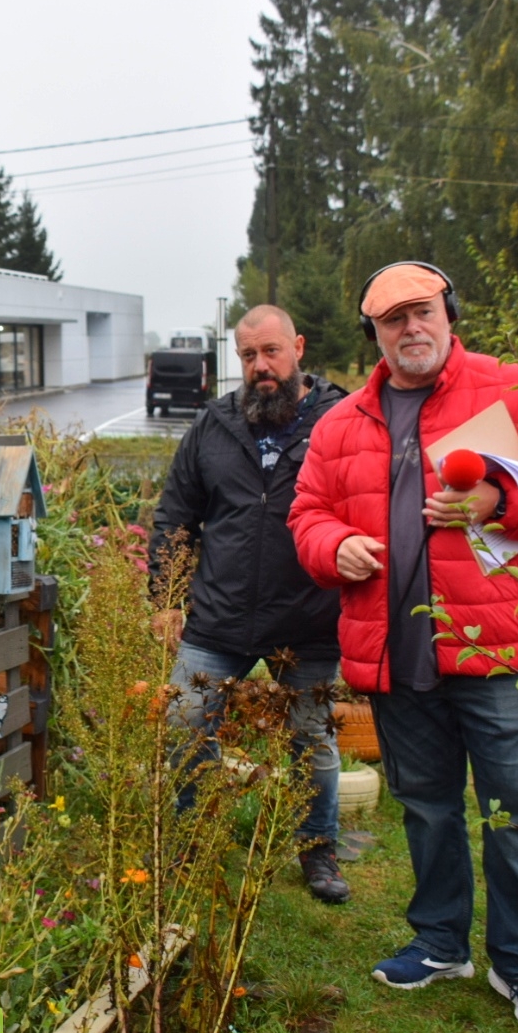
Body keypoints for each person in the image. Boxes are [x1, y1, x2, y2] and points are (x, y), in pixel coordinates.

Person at [287, 261, 518, 1033]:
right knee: (428, 809)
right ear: (373, 335)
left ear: (448, 313)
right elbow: (306, 514)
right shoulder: (339, 424)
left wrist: (503, 500)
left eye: (422, 312)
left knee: (516, 813)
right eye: (392, 320)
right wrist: (335, 548)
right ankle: (440, 943)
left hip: (498, 650)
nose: (411, 329)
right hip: (398, 655)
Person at [149, 304, 351, 903]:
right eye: (248, 356)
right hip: (219, 617)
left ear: (299, 348)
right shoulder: (212, 427)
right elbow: (175, 517)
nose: (261, 366)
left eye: (271, 352)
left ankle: (318, 852)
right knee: (185, 727)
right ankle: (191, 839)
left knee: (310, 741)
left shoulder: (340, 421)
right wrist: (164, 596)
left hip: (309, 615)